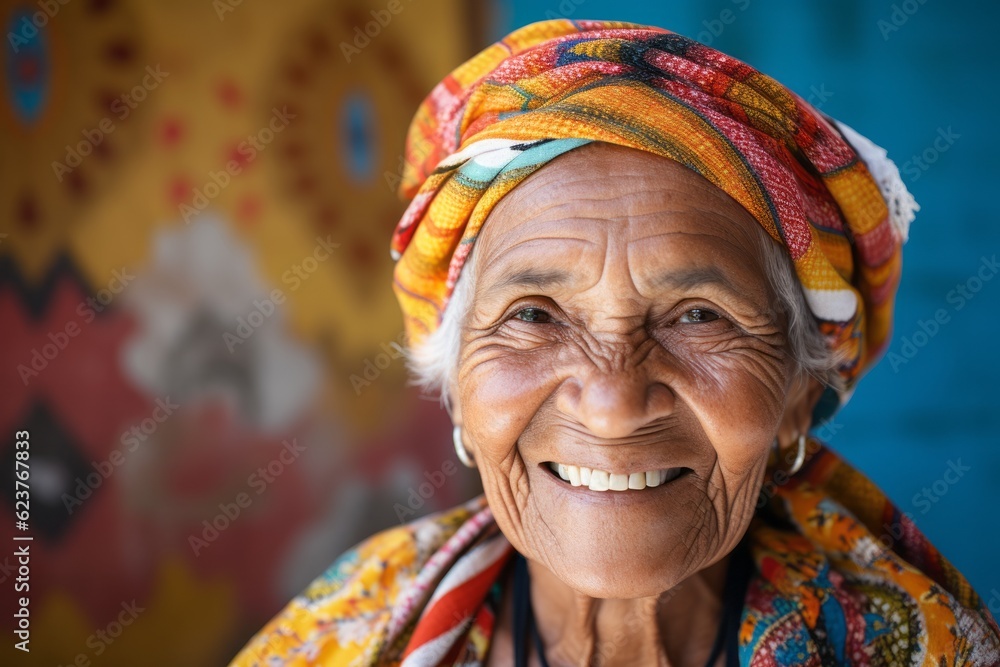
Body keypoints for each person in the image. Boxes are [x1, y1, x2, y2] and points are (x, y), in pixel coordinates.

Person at [229, 19, 1000, 666]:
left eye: (699, 315)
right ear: (458, 384)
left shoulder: (927, 647)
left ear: (799, 394)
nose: (612, 401)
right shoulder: (334, 642)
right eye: (534, 314)